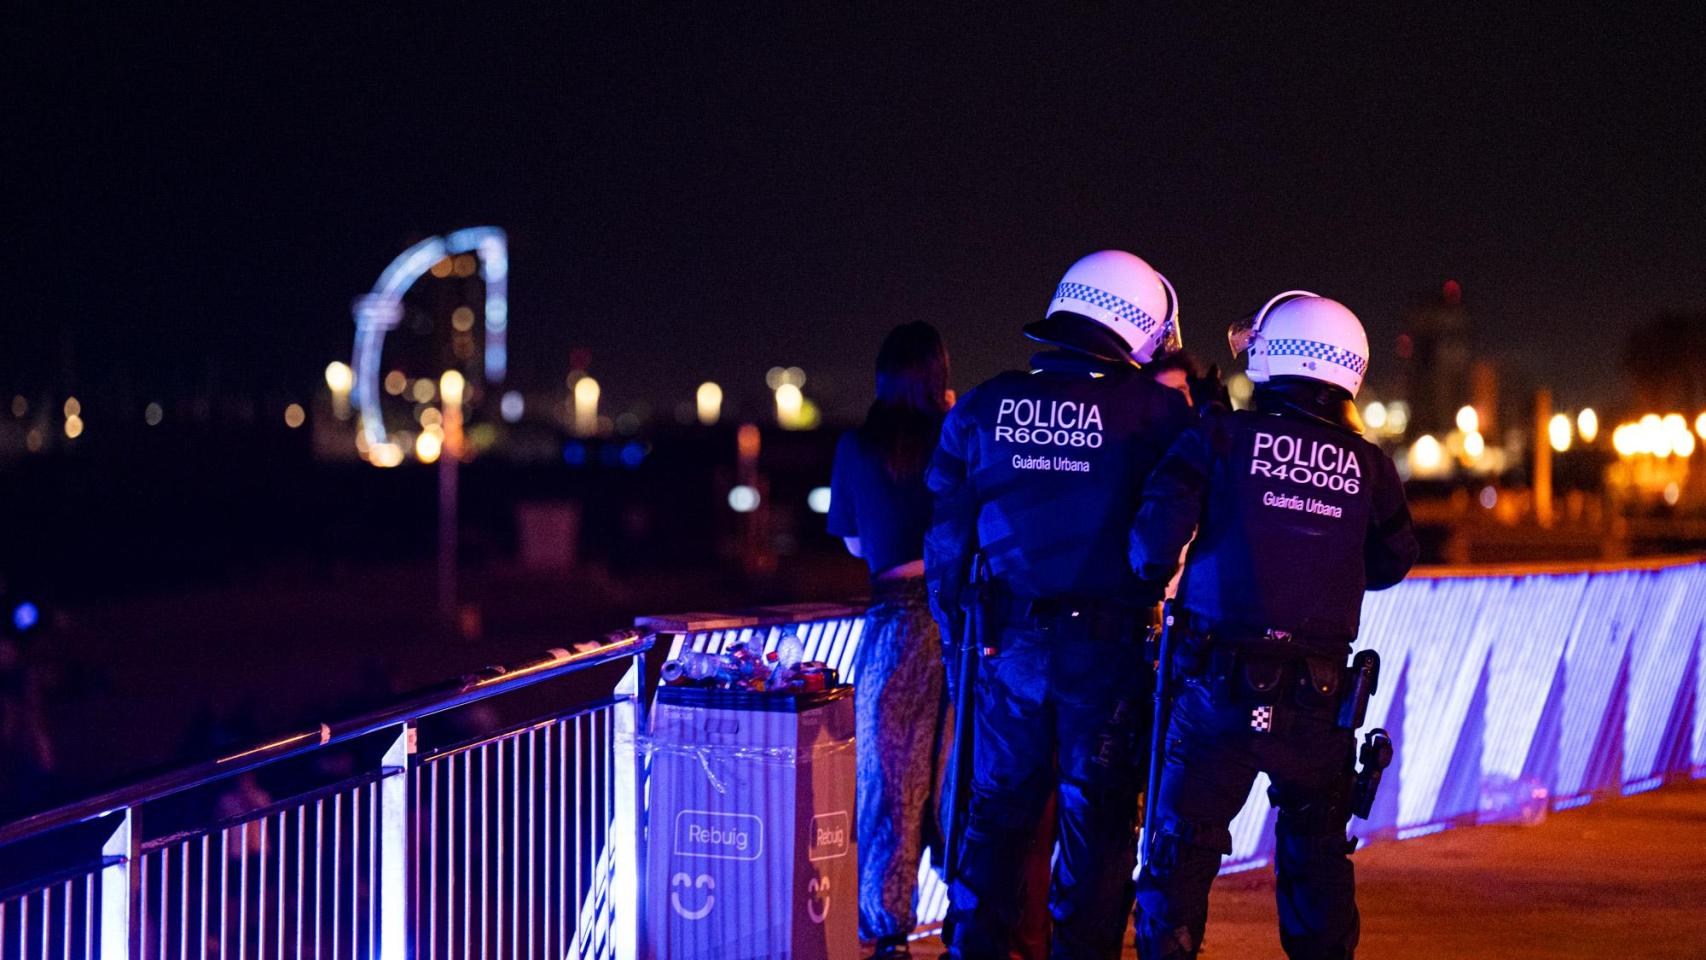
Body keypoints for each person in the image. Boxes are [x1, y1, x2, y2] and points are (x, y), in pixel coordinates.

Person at [1128, 291, 1420, 959]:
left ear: (1276, 352)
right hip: (1317, 704)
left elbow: (1150, 547)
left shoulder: (1221, 437)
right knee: (1318, 862)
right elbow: (1394, 559)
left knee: (1178, 862)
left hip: (1212, 692)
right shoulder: (1370, 465)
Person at [926, 250, 1194, 959]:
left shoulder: (985, 405)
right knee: (1098, 829)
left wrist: (960, 644)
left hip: (1004, 647)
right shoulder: (1160, 413)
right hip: (1107, 657)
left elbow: (946, 542)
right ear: (1138, 326)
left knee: (994, 821)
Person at [828, 321, 954, 959]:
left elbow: (853, 541)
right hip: (961, 621)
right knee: (961, 772)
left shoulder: (857, 446)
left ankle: (888, 930)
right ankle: (973, 909)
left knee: (891, 781)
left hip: (896, 620)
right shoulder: (957, 438)